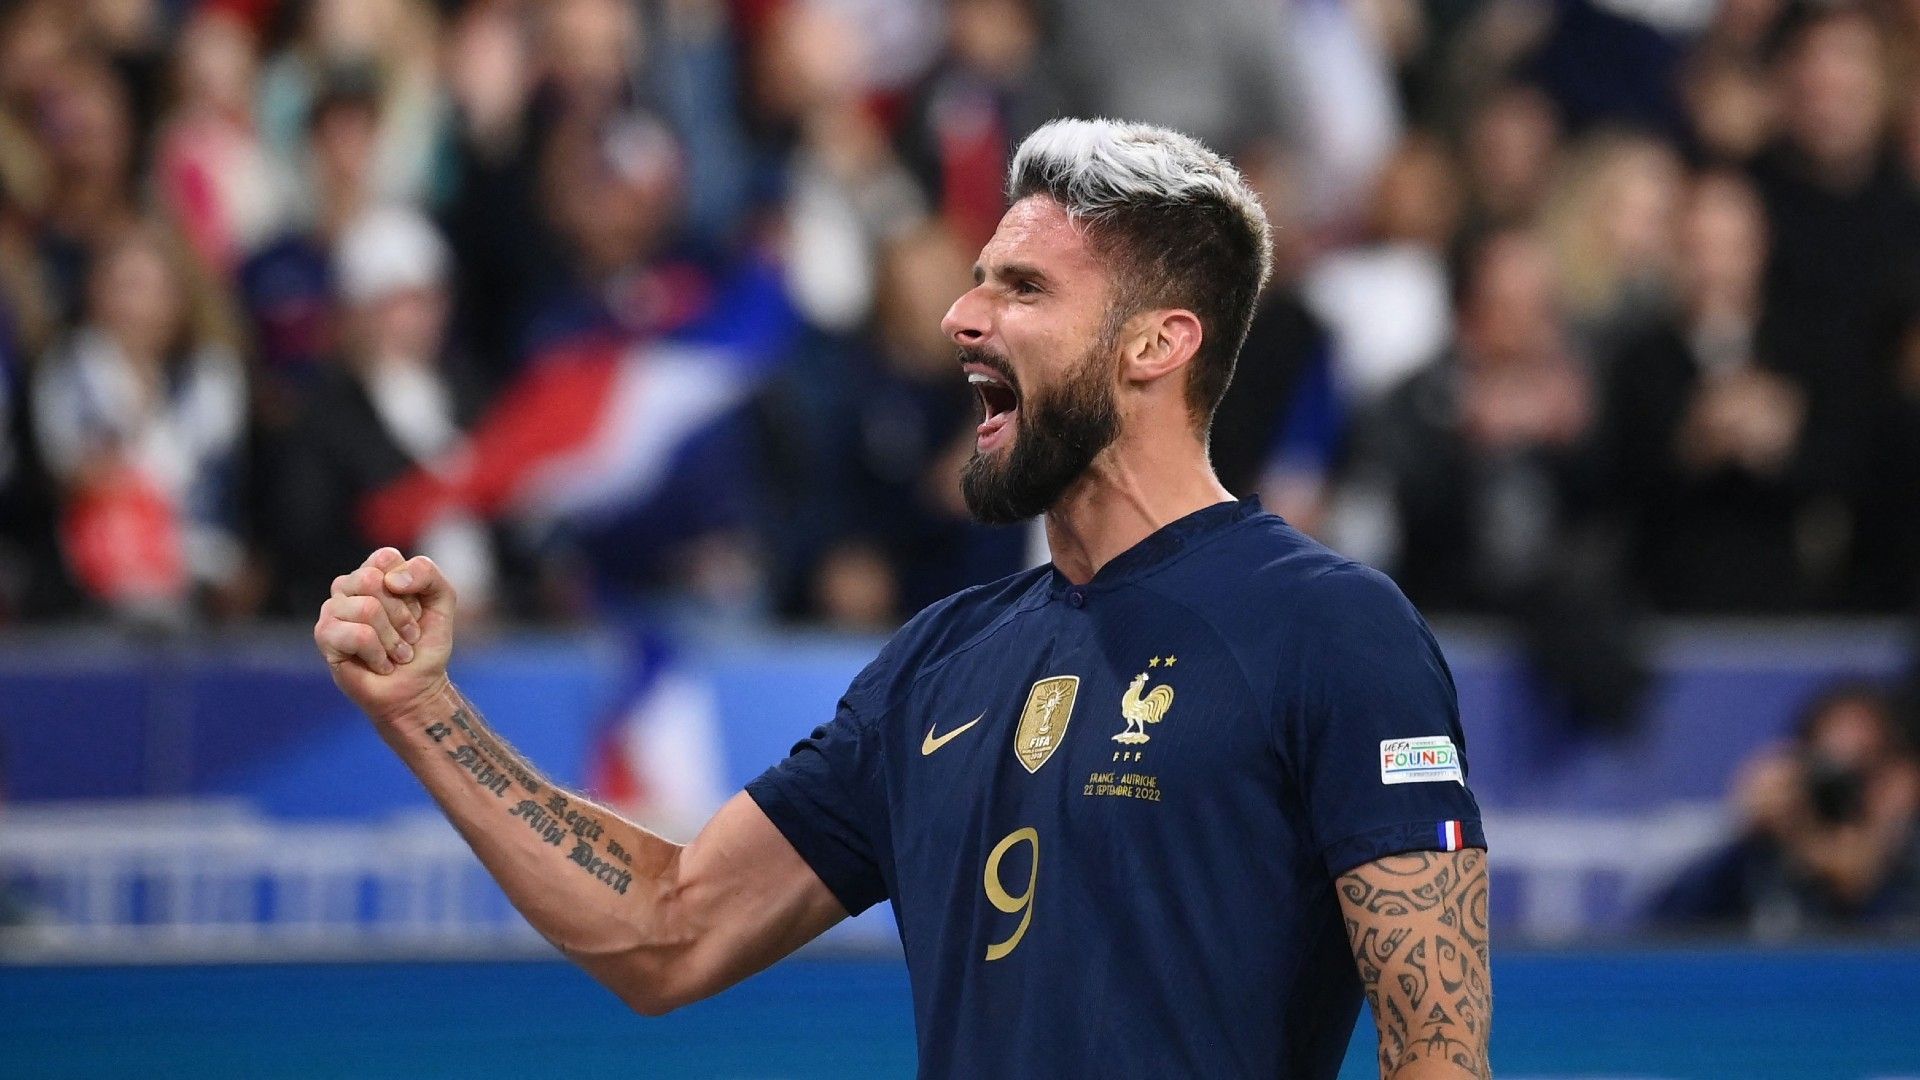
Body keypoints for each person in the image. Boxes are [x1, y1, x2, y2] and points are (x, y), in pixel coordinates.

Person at [313, 119, 1492, 1080]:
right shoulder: (937, 666)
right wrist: (428, 714)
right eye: (977, 281)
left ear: (1155, 345)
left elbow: (1437, 1051)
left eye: (1021, 288)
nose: (960, 317)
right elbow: (666, 928)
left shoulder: (1331, 629)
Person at [1648, 683, 1920, 935]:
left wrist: (1867, 888)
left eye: (1865, 770)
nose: (1846, 793)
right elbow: (1660, 939)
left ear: (1907, 776)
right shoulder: (1764, 861)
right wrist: (1748, 834)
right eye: (1829, 773)